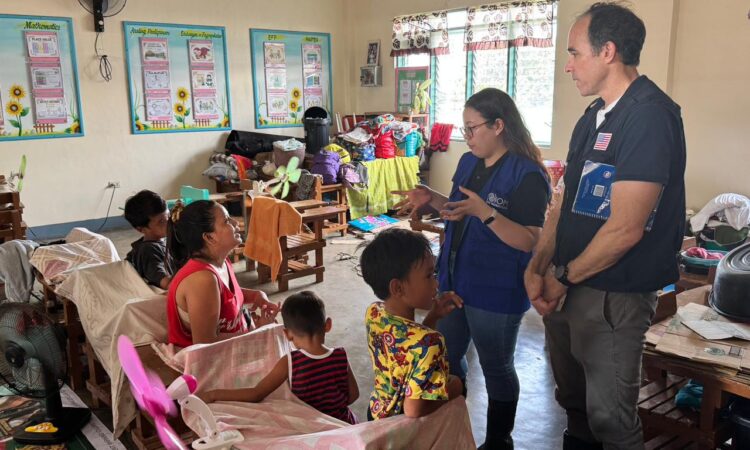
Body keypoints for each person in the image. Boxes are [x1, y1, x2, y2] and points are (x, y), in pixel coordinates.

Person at [523, 3, 686, 449]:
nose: (568, 65)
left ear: (608, 51)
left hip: (614, 291)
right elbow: (564, 200)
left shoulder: (650, 116)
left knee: (610, 418)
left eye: (575, 52)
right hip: (567, 282)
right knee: (573, 401)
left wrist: (561, 277)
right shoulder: (593, 116)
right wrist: (538, 262)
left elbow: (626, 228)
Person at [394, 88, 550, 449]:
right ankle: (453, 428)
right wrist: (431, 198)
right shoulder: (468, 162)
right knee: (446, 359)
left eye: (472, 128)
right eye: (464, 129)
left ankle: (499, 441)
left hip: (496, 289)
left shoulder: (528, 175)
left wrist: (486, 213)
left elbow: (530, 240)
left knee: (496, 367)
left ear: (499, 125)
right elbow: (458, 208)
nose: (467, 137)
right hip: (454, 279)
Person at [198, 291, 359, 424]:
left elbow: (256, 394)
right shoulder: (340, 355)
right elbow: (353, 395)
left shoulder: (291, 362)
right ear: (328, 325)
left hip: (311, 428)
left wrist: (213, 394)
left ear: (287, 334)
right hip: (344, 424)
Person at [360, 228, 464, 420]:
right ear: (398, 287)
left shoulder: (373, 312)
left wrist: (432, 317)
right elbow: (414, 409)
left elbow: (409, 348)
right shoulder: (432, 341)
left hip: (376, 412)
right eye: (429, 275)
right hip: (400, 429)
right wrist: (456, 386)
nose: (436, 284)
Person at [166, 200, 279, 346]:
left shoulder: (222, 262)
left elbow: (225, 298)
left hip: (231, 348)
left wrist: (256, 296)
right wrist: (257, 332)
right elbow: (206, 344)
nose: (236, 223)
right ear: (209, 237)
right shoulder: (201, 279)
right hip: (202, 362)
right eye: (226, 220)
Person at [123, 190, 173, 289]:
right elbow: (168, 283)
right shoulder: (148, 250)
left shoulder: (162, 240)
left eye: (168, 216)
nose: (169, 223)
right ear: (141, 229)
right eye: (161, 221)